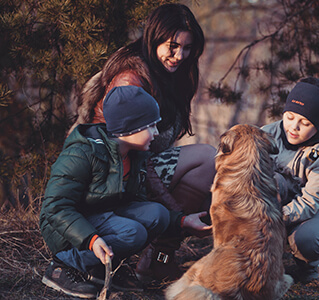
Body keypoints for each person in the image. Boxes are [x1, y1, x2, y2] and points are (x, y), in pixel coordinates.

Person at [69, 3, 216, 281]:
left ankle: (160, 258)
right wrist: (176, 214)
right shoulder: (130, 79)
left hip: (138, 167)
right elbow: (130, 157)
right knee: (207, 159)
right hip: (111, 177)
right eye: (172, 46)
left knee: (210, 160)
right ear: (154, 37)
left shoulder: (172, 74)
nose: (179, 56)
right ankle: (154, 255)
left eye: (186, 48)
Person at [40, 86, 211, 299]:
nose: (156, 133)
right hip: (66, 231)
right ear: (129, 128)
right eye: (151, 126)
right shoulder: (82, 154)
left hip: (102, 218)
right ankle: (62, 267)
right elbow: (55, 207)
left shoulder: (133, 155)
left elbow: (138, 202)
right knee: (132, 232)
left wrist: (183, 221)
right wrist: (91, 239)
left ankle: (102, 269)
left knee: (158, 214)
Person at [262, 77, 319, 283]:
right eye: (289, 117)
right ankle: (260, 264)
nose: (293, 127)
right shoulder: (266, 134)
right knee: (275, 180)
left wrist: (275, 218)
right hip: (270, 205)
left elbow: (311, 201)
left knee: (309, 239)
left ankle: (308, 269)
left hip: (311, 213)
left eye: (305, 123)